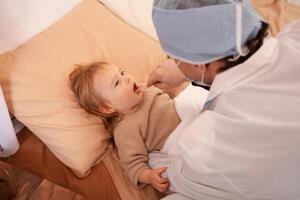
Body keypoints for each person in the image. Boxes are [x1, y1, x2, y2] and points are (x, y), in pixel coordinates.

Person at [146, 0, 300, 199]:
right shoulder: (295, 35)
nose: (175, 62)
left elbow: (171, 179)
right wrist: (186, 72)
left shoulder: (209, 142)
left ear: (199, 64)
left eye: (174, 57)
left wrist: (146, 159)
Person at [68, 62, 208, 193]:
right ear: (107, 107)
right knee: (159, 163)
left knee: (190, 99)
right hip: (178, 140)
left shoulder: (148, 89)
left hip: (191, 116)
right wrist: (148, 176)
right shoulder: (125, 130)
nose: (127, 78)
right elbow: (133, 164)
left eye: (122, 73)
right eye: (117, 83)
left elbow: (177, 91)